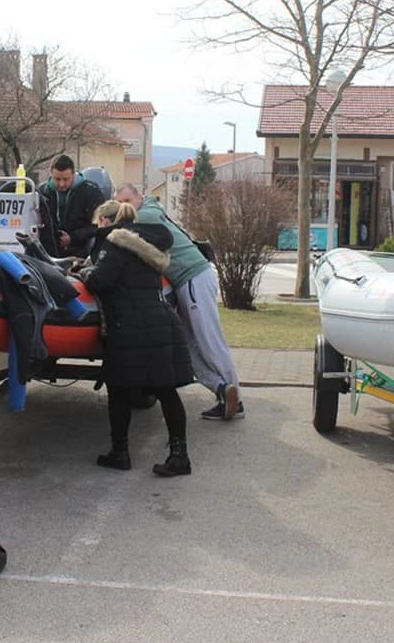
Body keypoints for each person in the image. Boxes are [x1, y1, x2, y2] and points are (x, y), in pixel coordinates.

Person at [82, 200, 194, 476]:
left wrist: (84, 272)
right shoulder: (149, 244)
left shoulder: (115, 243)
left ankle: (120, 452)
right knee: (165, 390)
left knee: (119, 390)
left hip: (129, 324)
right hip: (159, 319)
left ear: (107, 222)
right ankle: (179, 455)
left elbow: (100, 281)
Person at [115, 183, 244, 421]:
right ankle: (222, 389)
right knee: (188, 346)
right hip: (188, 281)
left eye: (127, 201)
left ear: (139, 198)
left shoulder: (146, 214)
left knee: (209, 342)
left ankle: (236, 400)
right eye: (119, 203)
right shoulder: (148, 214)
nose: (124, 207)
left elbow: (126, 232)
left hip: (193, 278)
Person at [38, 154, 103, 258]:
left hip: (82, 251)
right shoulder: (42, 192)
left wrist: (72, 238)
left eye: (66, 179)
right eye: (57, 179)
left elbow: (99, 225)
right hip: (49, 252)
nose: (62, 184)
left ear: (74, 174)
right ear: (51, 174)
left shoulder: (91, 192)